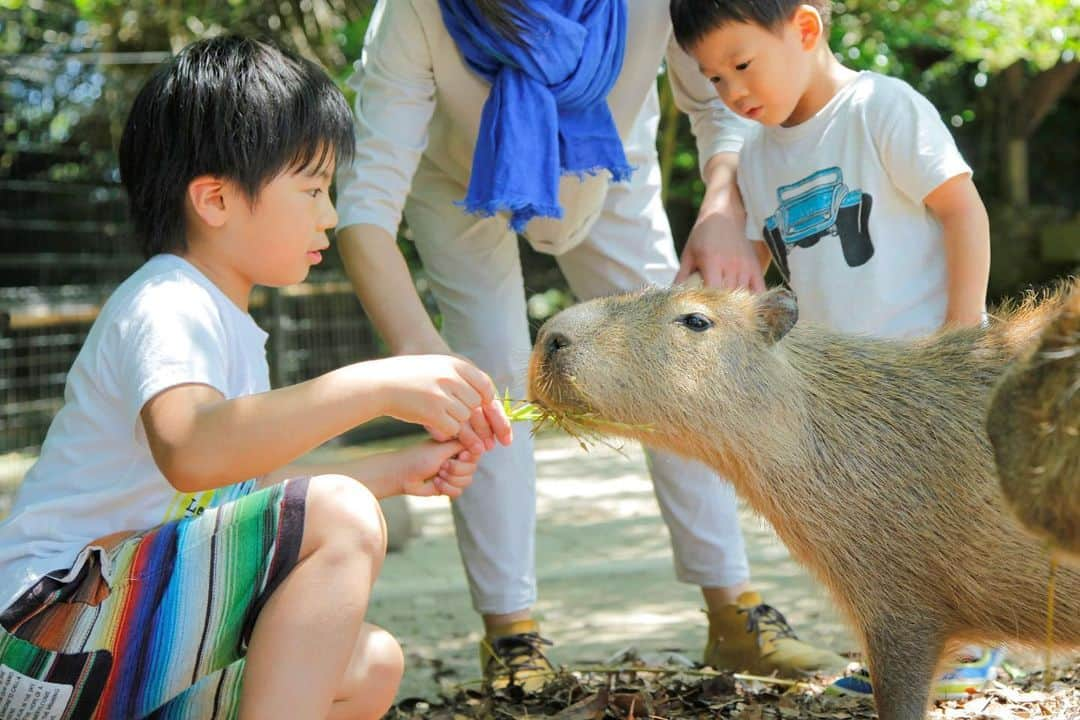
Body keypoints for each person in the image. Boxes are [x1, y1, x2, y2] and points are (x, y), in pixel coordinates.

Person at [334, 0, 848, 689]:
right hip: (458, 179)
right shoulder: (416, 13)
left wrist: (723, 206)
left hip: (608, 165)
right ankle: (511, 634)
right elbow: (365, 207)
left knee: (682, 362)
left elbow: (715, 100)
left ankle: (734, 612)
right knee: (486, 390)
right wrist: (421, 354)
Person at [0, 36, 513, 720]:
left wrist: (398, 469)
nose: (329, 215)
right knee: (340, 514)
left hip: (100, 647)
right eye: (312, 189)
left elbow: (235, 491)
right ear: (214, 199)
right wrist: (378, 385)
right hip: (44, 637)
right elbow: (193, 451)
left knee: (367, 665)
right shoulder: (169, 300)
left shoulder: (229, 328)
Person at [669, 0, 998, 701]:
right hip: (847, 394)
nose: (732, 92)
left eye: (742, 64)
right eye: (713, 79)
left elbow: (961, 208)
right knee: (872, 528)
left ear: (806, 29)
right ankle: (898, 646)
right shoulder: (757, 156)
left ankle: (971, 642)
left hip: (927, 369)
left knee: (953, 515)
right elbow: (747, 265)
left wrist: (963, 329)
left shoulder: (880, 107)